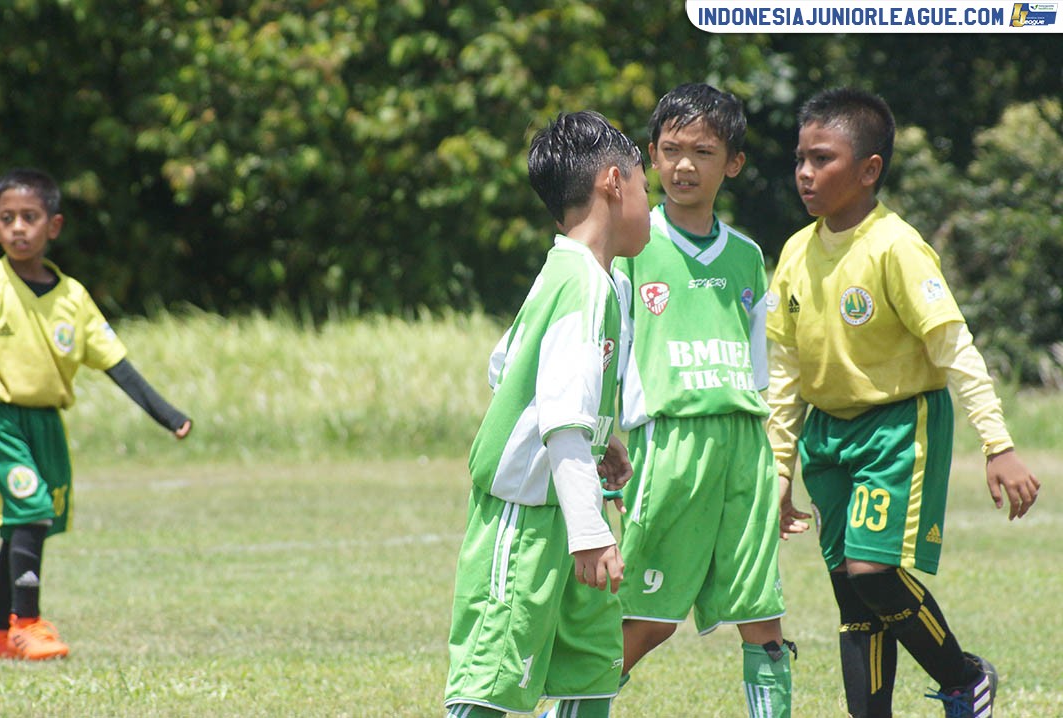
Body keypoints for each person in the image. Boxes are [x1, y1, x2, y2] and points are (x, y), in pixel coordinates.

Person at [765, 88, 1040, 717]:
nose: (806, 173)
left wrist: (997, 444)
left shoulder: (896, 247)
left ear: (869, 170)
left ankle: (964, 675)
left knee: (872, 573)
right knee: (850, 596)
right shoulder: (793, 254)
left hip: (896, 424)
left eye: (823, 159)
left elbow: (954, 346)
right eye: (800, 158)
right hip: (826, 437)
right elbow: (783, 374)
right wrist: (780, 469)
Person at [443, 110, 650, 718]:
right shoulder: (581, 283)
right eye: (645, 184)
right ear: (614, 181)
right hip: (529, 520)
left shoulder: (584, 275)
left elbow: (505, 365)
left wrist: (601, 434)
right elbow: (560, 418)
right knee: (492, 685)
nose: (648, 201)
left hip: (571, 513)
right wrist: (591, 533)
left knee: (589, 677)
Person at [610, 82, 799, 717]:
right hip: (670, 444)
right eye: (671, 150)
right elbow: (613, 348)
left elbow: (762, 372)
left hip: (744, 448)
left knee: (762, 614)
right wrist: (606, 437)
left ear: (733, 163)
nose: (685, 164)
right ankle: (572, 704)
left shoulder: (747, 256)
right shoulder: (632, 248)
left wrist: (779, 467)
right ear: (652, 158)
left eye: (703, 151)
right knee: (649, 618)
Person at [0, 168, 192, 660]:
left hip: (45, 423)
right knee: (31, 508)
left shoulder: (72, 298)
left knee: (23, 524)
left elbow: (114, 361)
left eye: (29, 218)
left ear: (53, 226)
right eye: (6, 218)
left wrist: (166, 413)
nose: (17, 227)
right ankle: (28, 624)